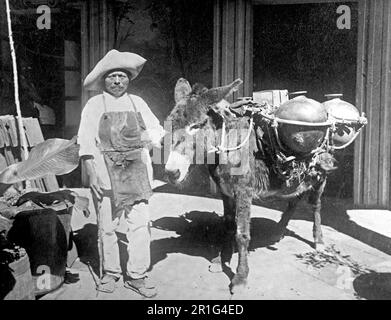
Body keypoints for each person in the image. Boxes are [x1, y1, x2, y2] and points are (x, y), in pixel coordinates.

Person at [77, 49, 165, 297]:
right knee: (107, 226)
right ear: (104, 80)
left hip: (136, 172)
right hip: (105, 173)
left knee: (139, 225)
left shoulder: (139, 103)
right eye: (112, 77)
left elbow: (158, 131)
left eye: (122, 76)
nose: (117, 81)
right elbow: (85, 141)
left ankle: (137, 275)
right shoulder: (95, 105)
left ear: (129, 79)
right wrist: (91, 174)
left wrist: (145, 139)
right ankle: (111, 272)